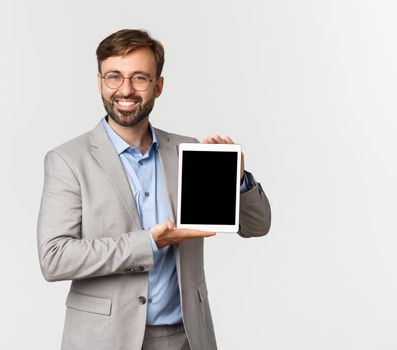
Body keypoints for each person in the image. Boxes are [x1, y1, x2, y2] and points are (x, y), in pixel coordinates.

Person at [37, 29, 271, 350]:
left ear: (158, 86)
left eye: (140, 78)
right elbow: (54, 258)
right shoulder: (68, 160)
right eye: (114, 77)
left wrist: (237, 179)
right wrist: (148, 243)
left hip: (186, 337)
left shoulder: (188, 152)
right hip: (105, 339)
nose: (126, 89)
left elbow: (256, 226)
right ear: (99, 81)